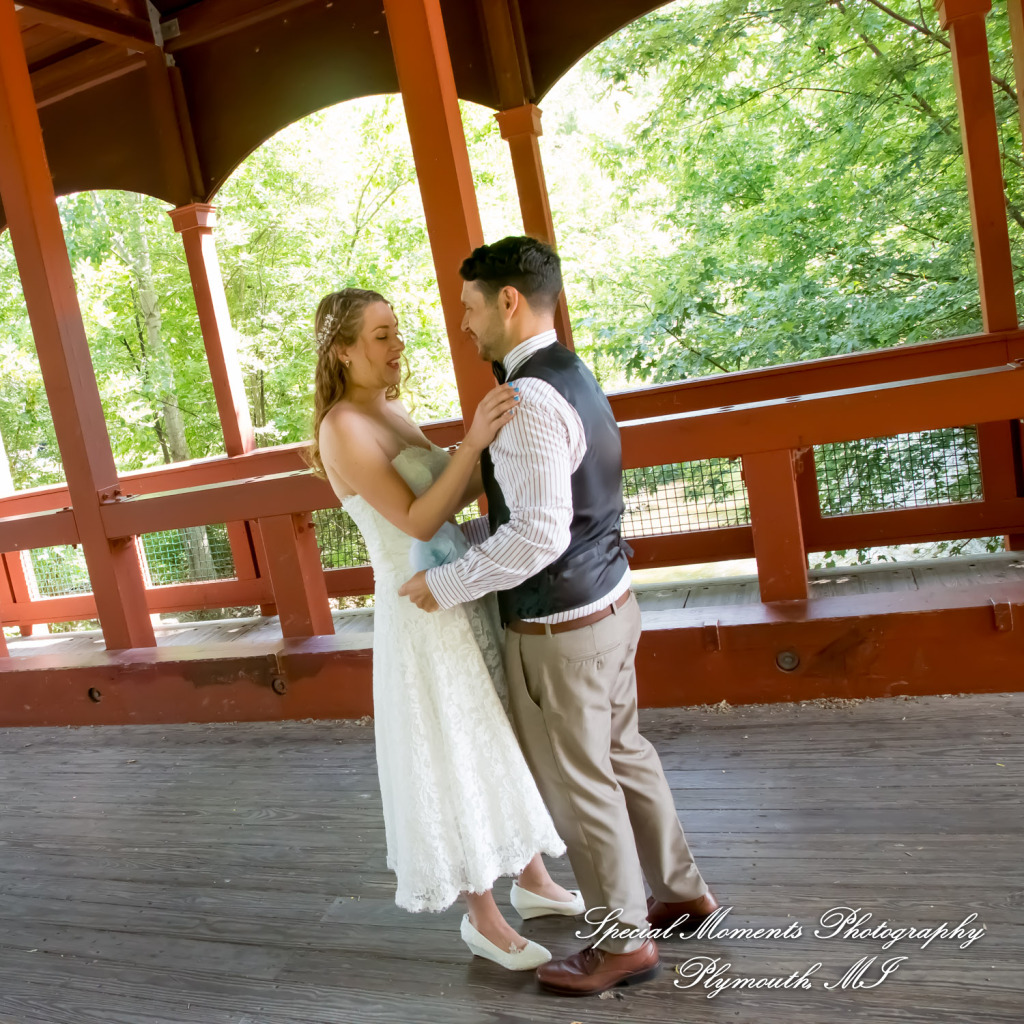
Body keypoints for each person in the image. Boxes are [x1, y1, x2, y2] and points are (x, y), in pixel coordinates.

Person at [399, 237, 720, 996]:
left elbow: (539, 535)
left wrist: (446, 584)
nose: (465, 324)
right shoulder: (569, 373)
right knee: (627, 755)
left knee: (584, 786)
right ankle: (680, 891)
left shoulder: (528, 399)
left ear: (508, 301)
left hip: (563, 628)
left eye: (471, 307)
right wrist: (468, 540)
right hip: (609, 604)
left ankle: (623, 945)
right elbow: (557, 511)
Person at [311, 287, 585, 971]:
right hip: (419, 608)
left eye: (396, 332)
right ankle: (483, 921)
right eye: (380, 336)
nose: (397, 345)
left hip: (458, 586)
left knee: (495, 729)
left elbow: (450, 492)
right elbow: (416, 520)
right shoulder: (344, 425)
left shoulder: (390, 409)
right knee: (453, 748)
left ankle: (531, 881)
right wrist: (475, 440)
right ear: (342, 350)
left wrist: (490, 447)